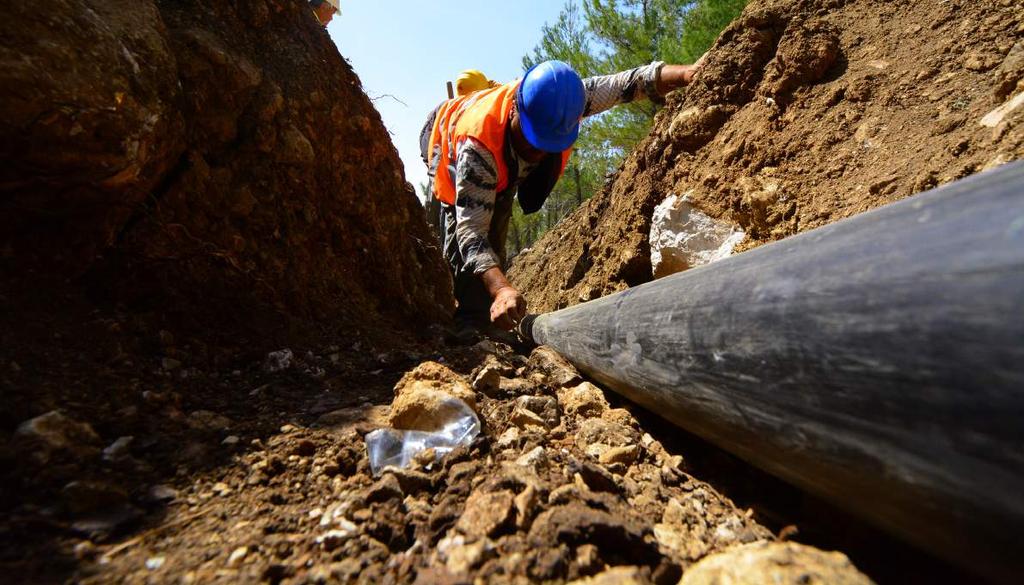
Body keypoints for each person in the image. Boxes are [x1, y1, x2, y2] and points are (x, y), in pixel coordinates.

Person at [420, 60, 701, 332]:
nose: (538, 153)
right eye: (532, 140)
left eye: (546, 144)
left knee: (498, 219)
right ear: (516, 110)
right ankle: (467, 320)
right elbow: (471, 232)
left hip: (497, 163)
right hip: (443, 140)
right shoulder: (478, 148)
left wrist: (686, 73)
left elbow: (626, 84)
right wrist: (501, 288)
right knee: (458, 231)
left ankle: (483, 306)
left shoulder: (563, 101)